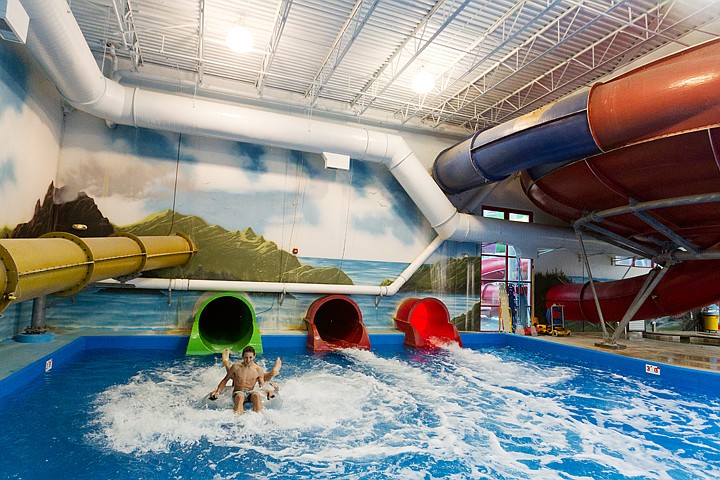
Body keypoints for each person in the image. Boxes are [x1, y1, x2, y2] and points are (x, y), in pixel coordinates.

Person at [208, 346, 281, 414]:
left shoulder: (258, 370)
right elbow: (225, 380)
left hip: (250, 392)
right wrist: (218, 392)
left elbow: (262, 386)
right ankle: (238, 419)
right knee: (240, 396)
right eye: (246, 357)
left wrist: (268, 391)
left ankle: (259, 417)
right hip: (238, 392)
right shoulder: (236, 367)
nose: (248, 360)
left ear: (254, 356)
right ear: (242, 356)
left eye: (250, 357)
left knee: (256, 395)